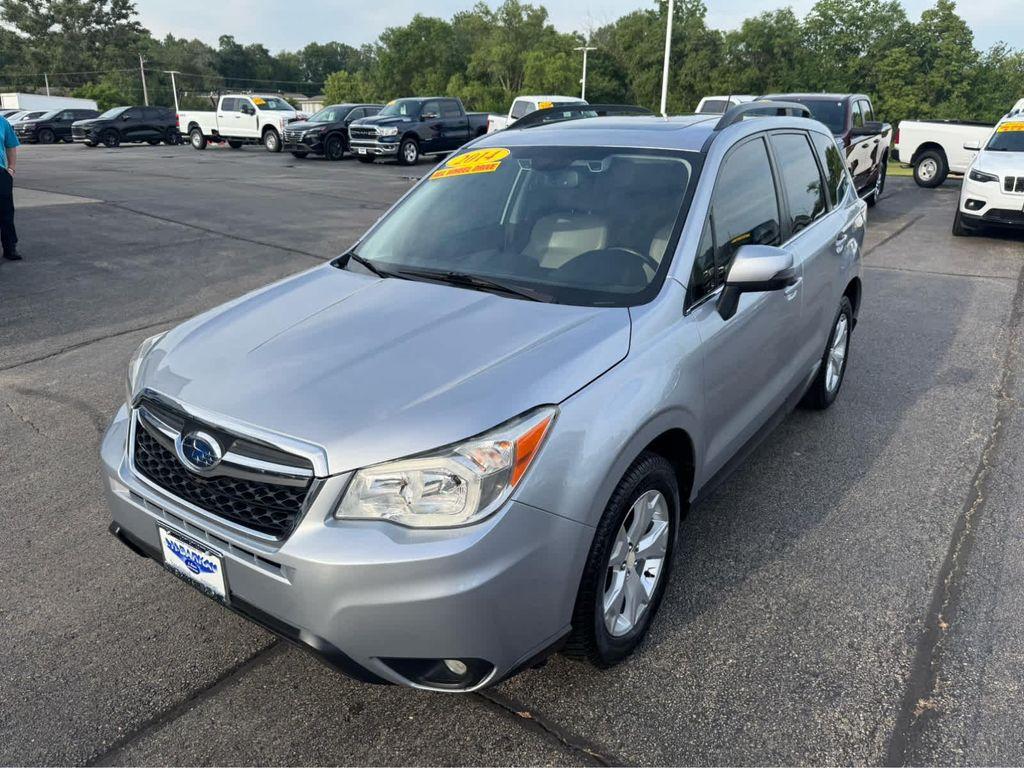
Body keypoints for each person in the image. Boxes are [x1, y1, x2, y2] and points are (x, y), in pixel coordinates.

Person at [0, 111, 20, 261]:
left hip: (1, 173)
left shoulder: (3, 122)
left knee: (6, 212)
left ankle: (10, 247)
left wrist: (11, 168)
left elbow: (11, 145)